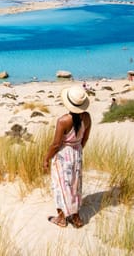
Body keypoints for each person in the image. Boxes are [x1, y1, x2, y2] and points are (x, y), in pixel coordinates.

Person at [43, 86, 91, 228]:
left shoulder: (63, 121)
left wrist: (46, 158)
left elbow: (56, 144)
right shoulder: (87, 117)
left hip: (63, 155)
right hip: (77, 152)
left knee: (61, 186)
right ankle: (76, 219)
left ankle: (62, 218)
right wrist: (77, 148)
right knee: (75, 185)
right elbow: (85, 138)